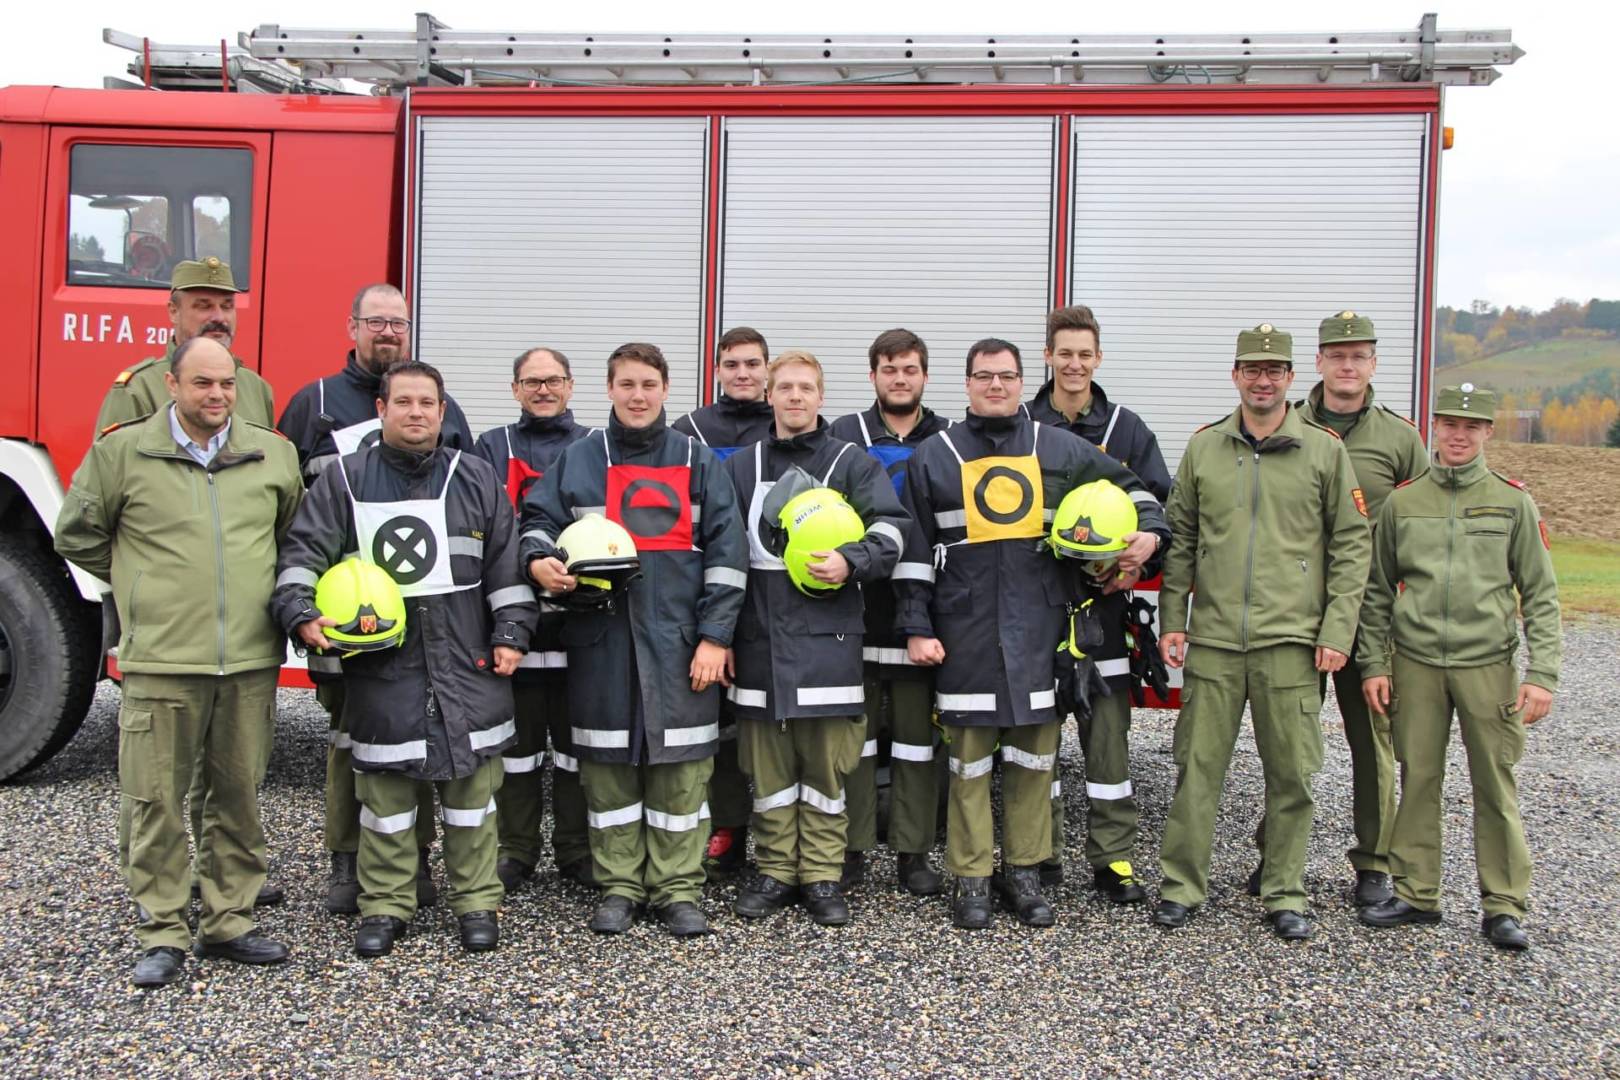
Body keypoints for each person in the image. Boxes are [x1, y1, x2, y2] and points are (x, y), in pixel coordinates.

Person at [894, 338, 1168, 929]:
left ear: (1023, 382)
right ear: (965, 383)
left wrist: (1148, 534)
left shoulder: (1060, 447)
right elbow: (913, 555)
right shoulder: (933, 456)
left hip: (1042, 626)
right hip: (962, 627)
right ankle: (969, 877)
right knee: (967, 760)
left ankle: (1024, 871)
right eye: (984, 376)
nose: (996, 386)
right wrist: (915, 626)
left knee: (1034, 756)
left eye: (1007, 376)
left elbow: (1136, 488)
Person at [57, 336, 303, 988]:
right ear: (172, 385)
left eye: (225, 383)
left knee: (238, 797)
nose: (216, 395)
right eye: (202, 384)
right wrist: (143, 586)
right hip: (162, 661)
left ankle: (229, 921)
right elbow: (76, 534)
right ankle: (162, 930)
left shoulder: (271, 453)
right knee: (155, 802)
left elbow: (290, 536)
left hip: (248, 661)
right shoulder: (123, 453)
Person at [273, 360, 536, 958]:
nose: (416, 413)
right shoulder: (343, 480)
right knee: (386, 803)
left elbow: (505, 568)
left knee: (472, 801)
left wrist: (512, 634)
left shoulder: (474, 479)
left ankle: (476, 903)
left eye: (427, 403)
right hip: (382, 672)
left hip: (468, 668)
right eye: (404, 402)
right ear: (381, 411)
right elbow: (302, 555)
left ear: (443, 413)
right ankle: (386, 905)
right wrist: (298, 611)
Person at [1152, 324, 1371, 941]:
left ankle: (1285, 890)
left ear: (1292, 377)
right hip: (1216, 641)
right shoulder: (1206, 448)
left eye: (1274, 370)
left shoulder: (1323, 450)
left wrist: (1337, 629)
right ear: (1236, 375)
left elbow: (1352, 546)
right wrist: (1174, 619)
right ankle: (1181, 886)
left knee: (1294, 774)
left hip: (1291, 643)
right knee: (1197, 767)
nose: (1263, 379)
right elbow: (1183, 541)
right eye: (1252, 368)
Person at [521, 343, 748, 937]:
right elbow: (537, 521)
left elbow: (728, 556)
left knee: (682, 772)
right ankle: (619, 884)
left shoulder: (698, 462)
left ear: (667, 389)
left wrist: (715, 638)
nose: (638, 395)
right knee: (608, 771)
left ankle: (678, 889)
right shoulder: (579, 458)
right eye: (626, 384)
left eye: (648, 384)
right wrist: (539, 560)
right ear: (610, 389)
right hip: (602, 641)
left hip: (680, 646)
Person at [276, 284, 474, 914]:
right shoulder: (314, 403)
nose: (388, 332)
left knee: (419, 740)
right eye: (376, 321)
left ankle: (411, 865)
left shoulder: (445, 410)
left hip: (431, 624)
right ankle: (348, 860)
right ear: (352, 325)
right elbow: (289, 507)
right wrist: (302, 603)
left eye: (399, 322)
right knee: (351, 741)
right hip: (348, 620)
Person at [1357, 383, 1560, 951]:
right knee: (1418, 778)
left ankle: (1503, 905)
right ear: (1434, 429)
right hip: (1416, 662)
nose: (1459, 435)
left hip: (1486, 664)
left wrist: (1541, 674)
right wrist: (1375, 664)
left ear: (1489, 432)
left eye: (1471, 426)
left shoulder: (1512, 501)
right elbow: (1376, 593)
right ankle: (1418, 892)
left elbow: (1540, 594)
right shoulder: (1405, 502)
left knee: (1494, 783)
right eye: (1449, 424)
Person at [1250, 311, 1427, 908]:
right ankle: (1277, 854)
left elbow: (1421, 529)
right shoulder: (1284, 424)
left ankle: (1375, 862)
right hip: (1297, 612)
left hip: (1371, 617)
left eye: (1359, 356)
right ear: (1319, 363)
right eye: (1337, 355)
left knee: (1371, 739)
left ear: (1374, 364)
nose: (1347, 366)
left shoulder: (1400, 440)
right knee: (1289, 742)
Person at [726, 349, 909, 926]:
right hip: (757, 637)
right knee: (769, 768)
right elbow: (720, 550)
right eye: (785, 388)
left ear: (822, 397)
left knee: (827, 768)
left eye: (807, 388)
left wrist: (854, 561)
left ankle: (825, 875)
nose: (796, 397)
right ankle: (776, 870)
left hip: (829, 638)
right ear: (769, 395)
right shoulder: (740, 465)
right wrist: (720, 634)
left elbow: (893, 527)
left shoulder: (850, 462)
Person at [1026, 305, 1171, 903]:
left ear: (1098, 359)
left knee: (1107, 739)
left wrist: (1139, 561)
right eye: (1065, 353)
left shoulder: (1128, 432)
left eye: (1086, 353)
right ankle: (1045, 852)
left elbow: (1161, 512)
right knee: (1038, 741)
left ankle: (1113, 859)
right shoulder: (1020, 424)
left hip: (1105, 610)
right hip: (1036, 607)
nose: (1075, 363)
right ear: (1049, 357)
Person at [828, 329, 952, 896]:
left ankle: (912, 851)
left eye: (909, 369)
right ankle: (850, 850)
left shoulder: (949, 440)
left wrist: (924, 615)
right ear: (872, 374)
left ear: (925, 375)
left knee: (915, 744)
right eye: (888, 369)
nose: (899, 379)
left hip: (920, 616)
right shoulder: (842, 438)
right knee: (853, 742)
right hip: (852, 612)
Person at [473, 347, 593, 891]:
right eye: (532, 381)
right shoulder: (489, 447)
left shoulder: (595, 447)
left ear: (571, 386)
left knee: (576, 751)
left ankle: (576, 850)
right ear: (514, 388)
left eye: (553, 380)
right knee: (515, 752)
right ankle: (514, 851)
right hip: (510, 624)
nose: (543, 390)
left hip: (580, 624)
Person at [672, 327, 775, 877]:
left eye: (752, 364)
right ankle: (724, 828)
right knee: (716, 721)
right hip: (707, 591)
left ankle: (776, 836)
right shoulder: (690, 431)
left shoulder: (783, 423)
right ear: (716, 370)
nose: (742, 373)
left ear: (768, 371)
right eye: (732, 364)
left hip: (770, 594)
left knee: (761, 721)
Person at [96, 258, 276, 431]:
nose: (219, 317)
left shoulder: (256, 388)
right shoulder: (138, 390)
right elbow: (111, 460)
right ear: (174, 312)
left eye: (227, 306)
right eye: (204, 306)